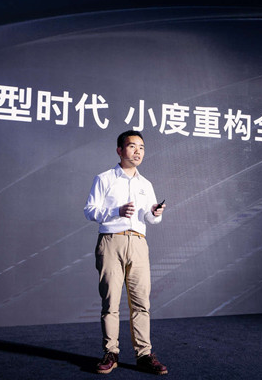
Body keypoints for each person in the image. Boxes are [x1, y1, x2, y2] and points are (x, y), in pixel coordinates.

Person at [84, 130, 168, 375]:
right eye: (132, 146)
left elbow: (151, 219)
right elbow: (89, 210)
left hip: (139, 243)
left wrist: (155, 213)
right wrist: (115, 211)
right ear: (120, 150)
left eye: (141, 147)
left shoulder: (146, 184)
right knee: (110, 301)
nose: (138, 151)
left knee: (141, 302)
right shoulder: (104, 178)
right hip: (111, 240)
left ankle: (144, 355)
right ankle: (111, 353)